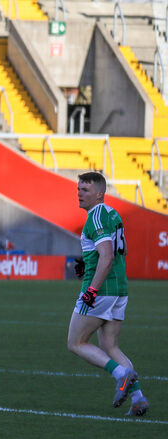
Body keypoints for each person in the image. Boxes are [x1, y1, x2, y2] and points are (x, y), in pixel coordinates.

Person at [67, 172, 148, 416]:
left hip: (101, 289)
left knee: (76, 342)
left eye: (86, 189)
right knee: (109, 345)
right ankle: (138, 398)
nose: (80, 193)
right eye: (79, 188)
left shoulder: (96, 217)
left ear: (100, 193)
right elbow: (111, 249)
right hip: (119, 288)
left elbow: (108, 255)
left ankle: (121, 374)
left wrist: (91, 290)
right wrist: (87, 259)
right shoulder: (112, 213)